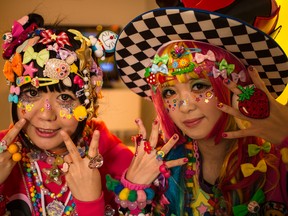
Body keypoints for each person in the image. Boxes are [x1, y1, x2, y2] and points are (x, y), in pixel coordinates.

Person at [109, 7, 288, 215]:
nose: (185, 106)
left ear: (235, 90)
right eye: (169, 92)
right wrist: (133, 191)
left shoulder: (274, 165)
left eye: (199, 86)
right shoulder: (164, 168)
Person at [0, 13, 133, 216]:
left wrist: (90, 204)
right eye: (33, 93)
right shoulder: (4, 154)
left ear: (88, 103)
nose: (46, 115)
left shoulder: (122, 164)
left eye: (64, 98)